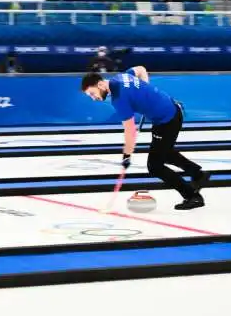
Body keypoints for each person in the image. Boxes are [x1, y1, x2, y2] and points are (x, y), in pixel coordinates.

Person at [81, 66, 210, 210]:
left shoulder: (118, 99)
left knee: (155, 166)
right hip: (170, 111)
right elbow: (141, 69)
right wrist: (145, 90)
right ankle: (198, 175)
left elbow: (130, 131)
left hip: (167, 120)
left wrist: (126, 156)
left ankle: (193, 196)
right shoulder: (121, 76)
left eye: (92, 94)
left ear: (100, 84)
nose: (94, 98)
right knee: (165, 153)